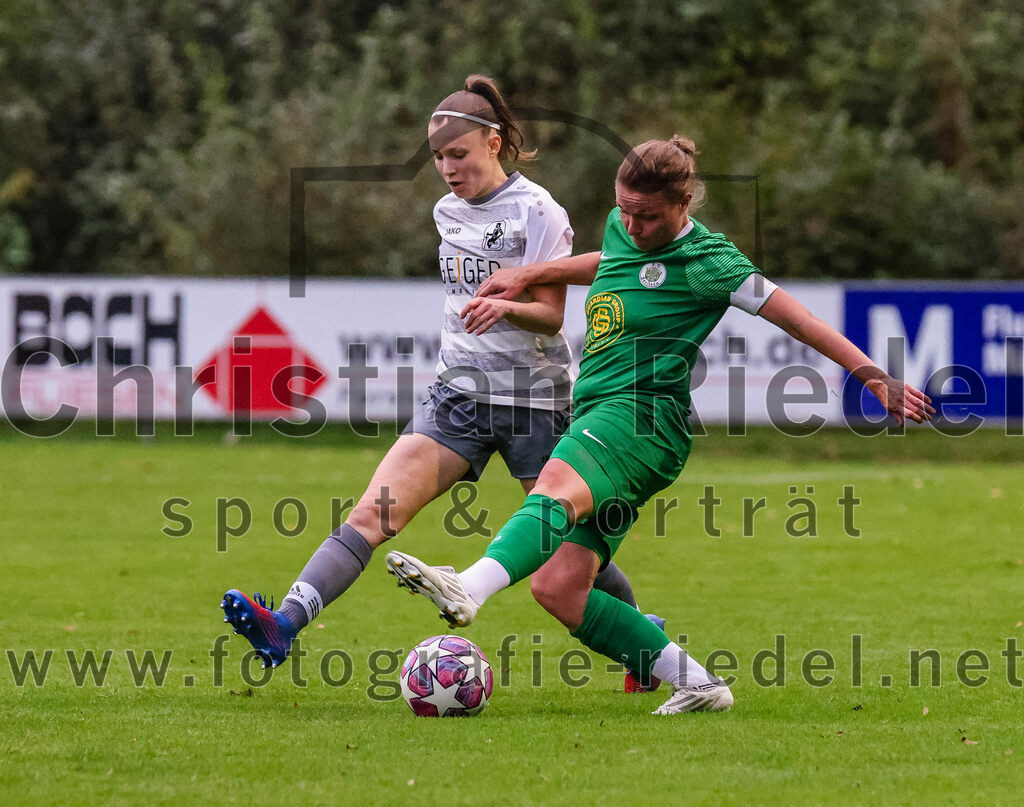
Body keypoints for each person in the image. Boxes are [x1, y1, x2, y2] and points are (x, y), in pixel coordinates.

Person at [386, 135, 936, 714]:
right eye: (623, 209)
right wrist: (533, 273)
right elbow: (614, 259)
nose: (632, 223)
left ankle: (467, 587)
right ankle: (699, 684)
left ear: (684, 202)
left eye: (647, 215)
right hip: (602, 412)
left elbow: (802, 321)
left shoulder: (715, 264)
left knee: (552, 489)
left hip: (641, 419)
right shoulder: (625, 227)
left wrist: (875, 378)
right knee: (559, 589)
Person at [219, 75, 651, 679]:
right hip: (458, 397)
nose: (447, 169)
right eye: (438, 157)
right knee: (373, 512)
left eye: (458, 154)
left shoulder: (538, 211)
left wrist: (508, 303)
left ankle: (643, 645)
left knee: (572, 550)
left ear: (493, 143)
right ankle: (283, 623)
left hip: (535, 402)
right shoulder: (445, 211)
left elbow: (552, 314)